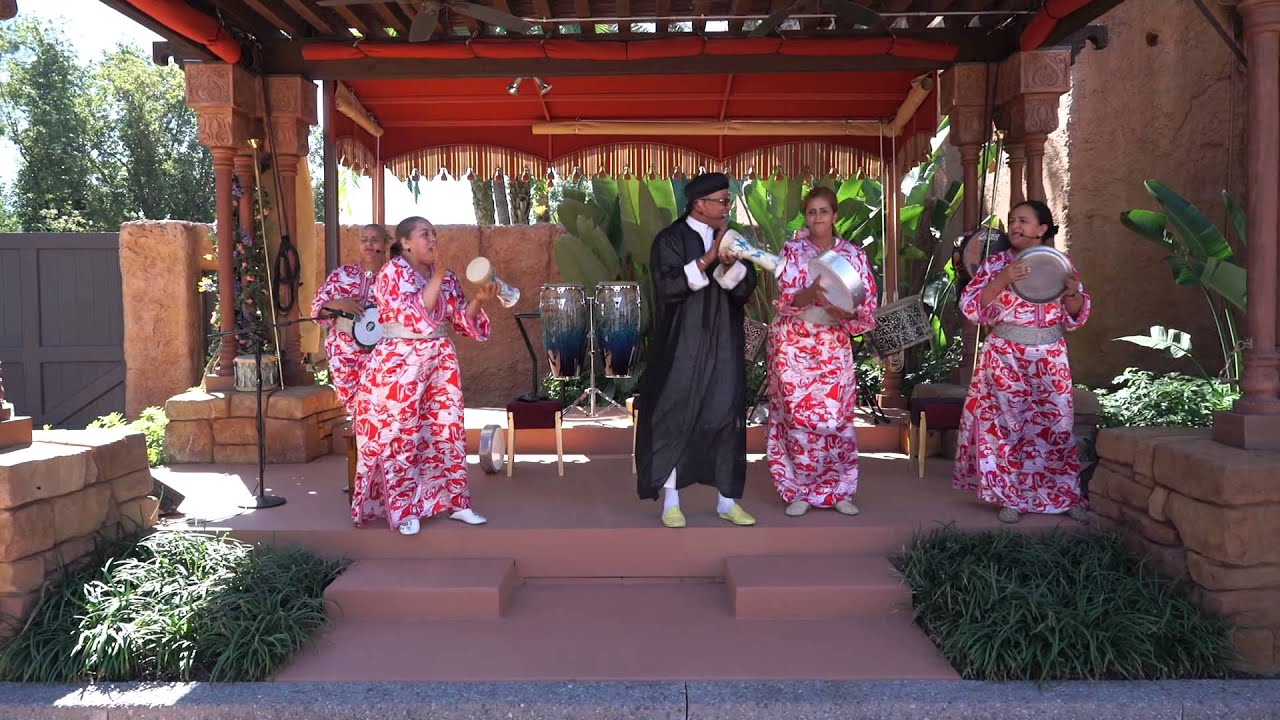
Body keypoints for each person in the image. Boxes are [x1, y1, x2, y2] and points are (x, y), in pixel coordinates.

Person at [352, 216, 499, 535]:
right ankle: (404, 510)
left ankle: (458, 503)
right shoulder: (391, 273)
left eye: (434, 233)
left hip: (439, 365)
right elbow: (417, 315)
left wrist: (478, 301)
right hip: (399, 367)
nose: (432, 239)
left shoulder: (444, 276)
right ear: (405, 242)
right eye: (424, 234)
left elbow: (460, 319)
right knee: (402, 437)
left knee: (447, 433)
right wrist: (440, 276)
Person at [635, 172, 760, 528]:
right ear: (700, 205)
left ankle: (727, 500)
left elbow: (745, 289)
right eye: (722, 201)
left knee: (724, 415)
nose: (727, 207)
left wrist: (733, 266)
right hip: (682, 344)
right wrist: (708, 259)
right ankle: (672, 502)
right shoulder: (670, 239)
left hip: (723, 340)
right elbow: (668, 286)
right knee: (675, 416)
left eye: (728, 201)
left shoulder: (734, 240)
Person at [953, 200, 1090, 524]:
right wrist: (1002, 279)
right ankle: (1010, 496)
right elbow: (972, 308)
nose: (1015, 226)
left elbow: (1076, 314)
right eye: (1013, 220)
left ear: (1042, 229)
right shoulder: (995, 264)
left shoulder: (1061, 263)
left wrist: (1073, 294)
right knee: (1007, 429)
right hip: (1005, 355)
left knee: (1056, 428)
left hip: (1050, 356)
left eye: (1024, 221)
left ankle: (1062, 495)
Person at [766, 186, 878, 517]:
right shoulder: (793, 250)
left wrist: (843, 311)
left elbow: (865, 306)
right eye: (811, 212)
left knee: (835, 416)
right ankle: (799, 490)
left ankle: (839, 490)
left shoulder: (854, 255)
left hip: (833, 342)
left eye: (823, 211)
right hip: (794, 343)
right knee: (798, 417)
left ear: (835, 215)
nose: (817, 218)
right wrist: (812, 290)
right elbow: (787, 299)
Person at [311, 224, 392, 413]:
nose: (369, 244)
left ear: (386, 243)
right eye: (364, 240)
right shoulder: (342, 275)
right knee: (356, 412)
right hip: (344, 357)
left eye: (374, 239)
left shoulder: (394, 277)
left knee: (381, 411)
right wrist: (338, 303)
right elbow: (316, 311)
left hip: (383, 356)